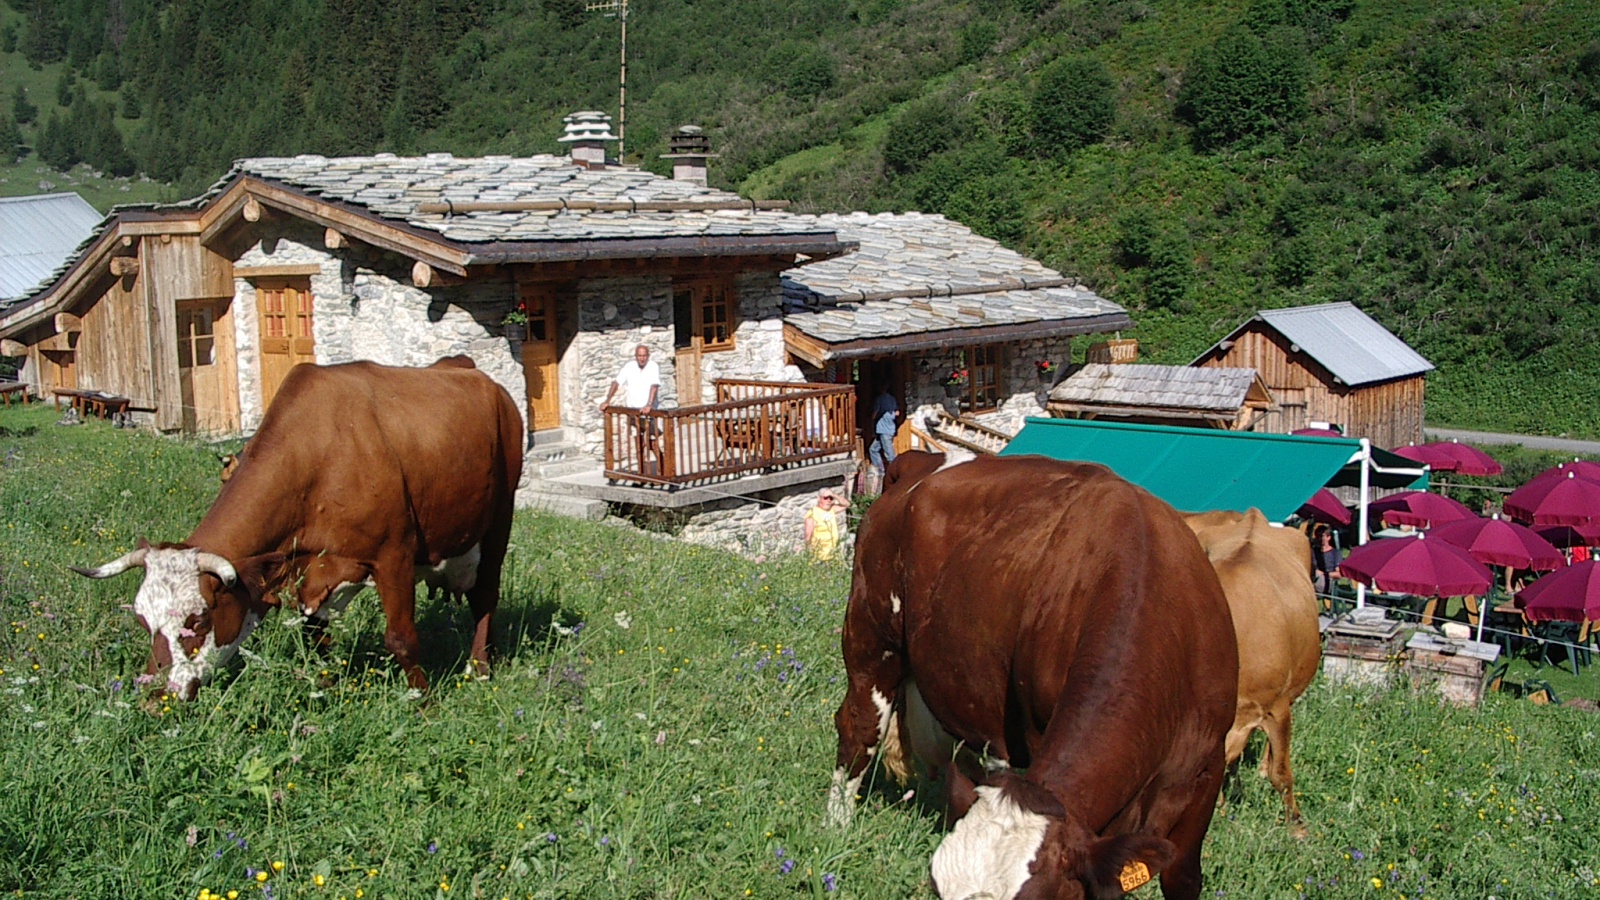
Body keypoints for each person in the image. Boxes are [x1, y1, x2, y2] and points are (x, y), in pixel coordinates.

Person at [599, 344, 662, 473]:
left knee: (652, 443)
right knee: (638, 444)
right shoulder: (629, 367)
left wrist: (649, 404)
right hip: (634, 412)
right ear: (636, 356)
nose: (642, 358)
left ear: (648, 356)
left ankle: (663, 468)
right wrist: (607, 400)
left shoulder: (653, 366)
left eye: (644, 356)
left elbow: (654, 385)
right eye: (639, 356)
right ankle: (641, 473)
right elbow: (616, 382)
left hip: (649, 413)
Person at [804, 488, 844, 560]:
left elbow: (846, 504)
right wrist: (809, 553)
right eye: (825, 498)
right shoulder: (812, 513)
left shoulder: (832, 509)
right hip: (820, 555)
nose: (828, 500)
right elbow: (808, 535)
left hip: (833, 553)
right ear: (819, 498)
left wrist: (834, 495)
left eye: (831, 498)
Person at [869, 386, 899, 471]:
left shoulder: (879, 399)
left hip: (884, 430)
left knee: (890, 455)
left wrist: (872, 419)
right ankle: (880, 469)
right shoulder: (892, 399)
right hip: (888, 429)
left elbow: (875, 412)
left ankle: (895, 472)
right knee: (873, 449)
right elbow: (897, 412)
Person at [1311, 525, 1339, 595]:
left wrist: (1324, 574)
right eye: (1318, 536)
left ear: (1328, 537)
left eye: (1322, 536)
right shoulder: (1313, 552)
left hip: (1327, 580)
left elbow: (1339, 574)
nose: (1320, 538)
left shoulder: (1335, 553)